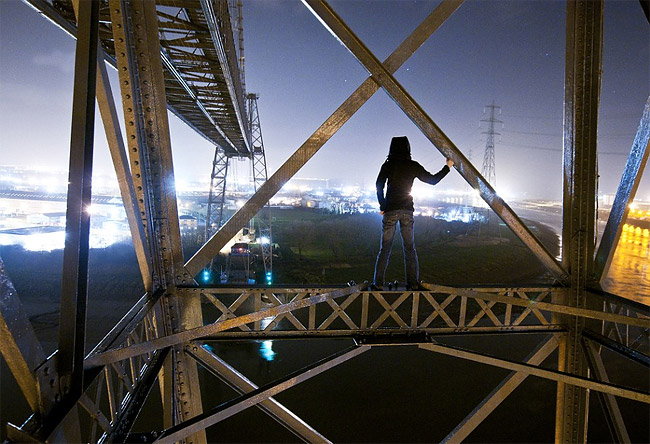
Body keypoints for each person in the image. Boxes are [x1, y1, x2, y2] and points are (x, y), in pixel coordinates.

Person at [372, 136, 454, 290]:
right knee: (409, 248)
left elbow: (379, 185)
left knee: (385, 249)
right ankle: (413, 283)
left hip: (390, 210)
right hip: (407, 212)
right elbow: (433, 180)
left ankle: (378, 284)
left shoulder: (388, 165)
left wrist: (382, 205)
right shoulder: (412, 165)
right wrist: (447, 167)